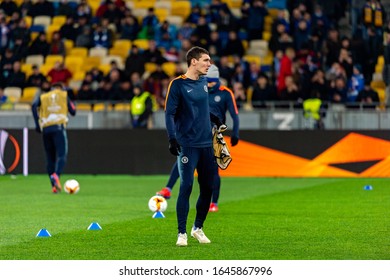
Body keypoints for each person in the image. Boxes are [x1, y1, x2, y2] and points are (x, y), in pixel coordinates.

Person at [164, 46, 226, 246]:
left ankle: (197, 228)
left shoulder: (203, 82)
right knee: (186, 186)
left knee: (207, 187)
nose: (209, 64)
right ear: (193, 61)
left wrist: (213, 117)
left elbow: (199, 109)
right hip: (187, 145)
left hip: (207, 145)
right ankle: (181, 233)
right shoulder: (177, 85)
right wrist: (172, 138)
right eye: (206, 60)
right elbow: (169, 114)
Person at [157, 64, 240, 212]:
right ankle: (168, 188)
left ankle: (214, 202)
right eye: (208, 81)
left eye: (212, 81)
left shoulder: (226, 93)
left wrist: (235, 133)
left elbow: (235, 115)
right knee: (183, 158)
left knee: (214, 170)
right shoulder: (199, 88)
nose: (210, 84)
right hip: (195, 130)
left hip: (214, 134)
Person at [32, 83, 76, 193]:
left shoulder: (44, 96)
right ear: (61, 89)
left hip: (46, 129)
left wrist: (37, 124)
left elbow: (33, 106)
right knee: (61, 155)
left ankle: (53, 186)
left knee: (50, 158)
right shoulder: (64, 95)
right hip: (58, 128)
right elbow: (73, 111)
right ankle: (56, 175)